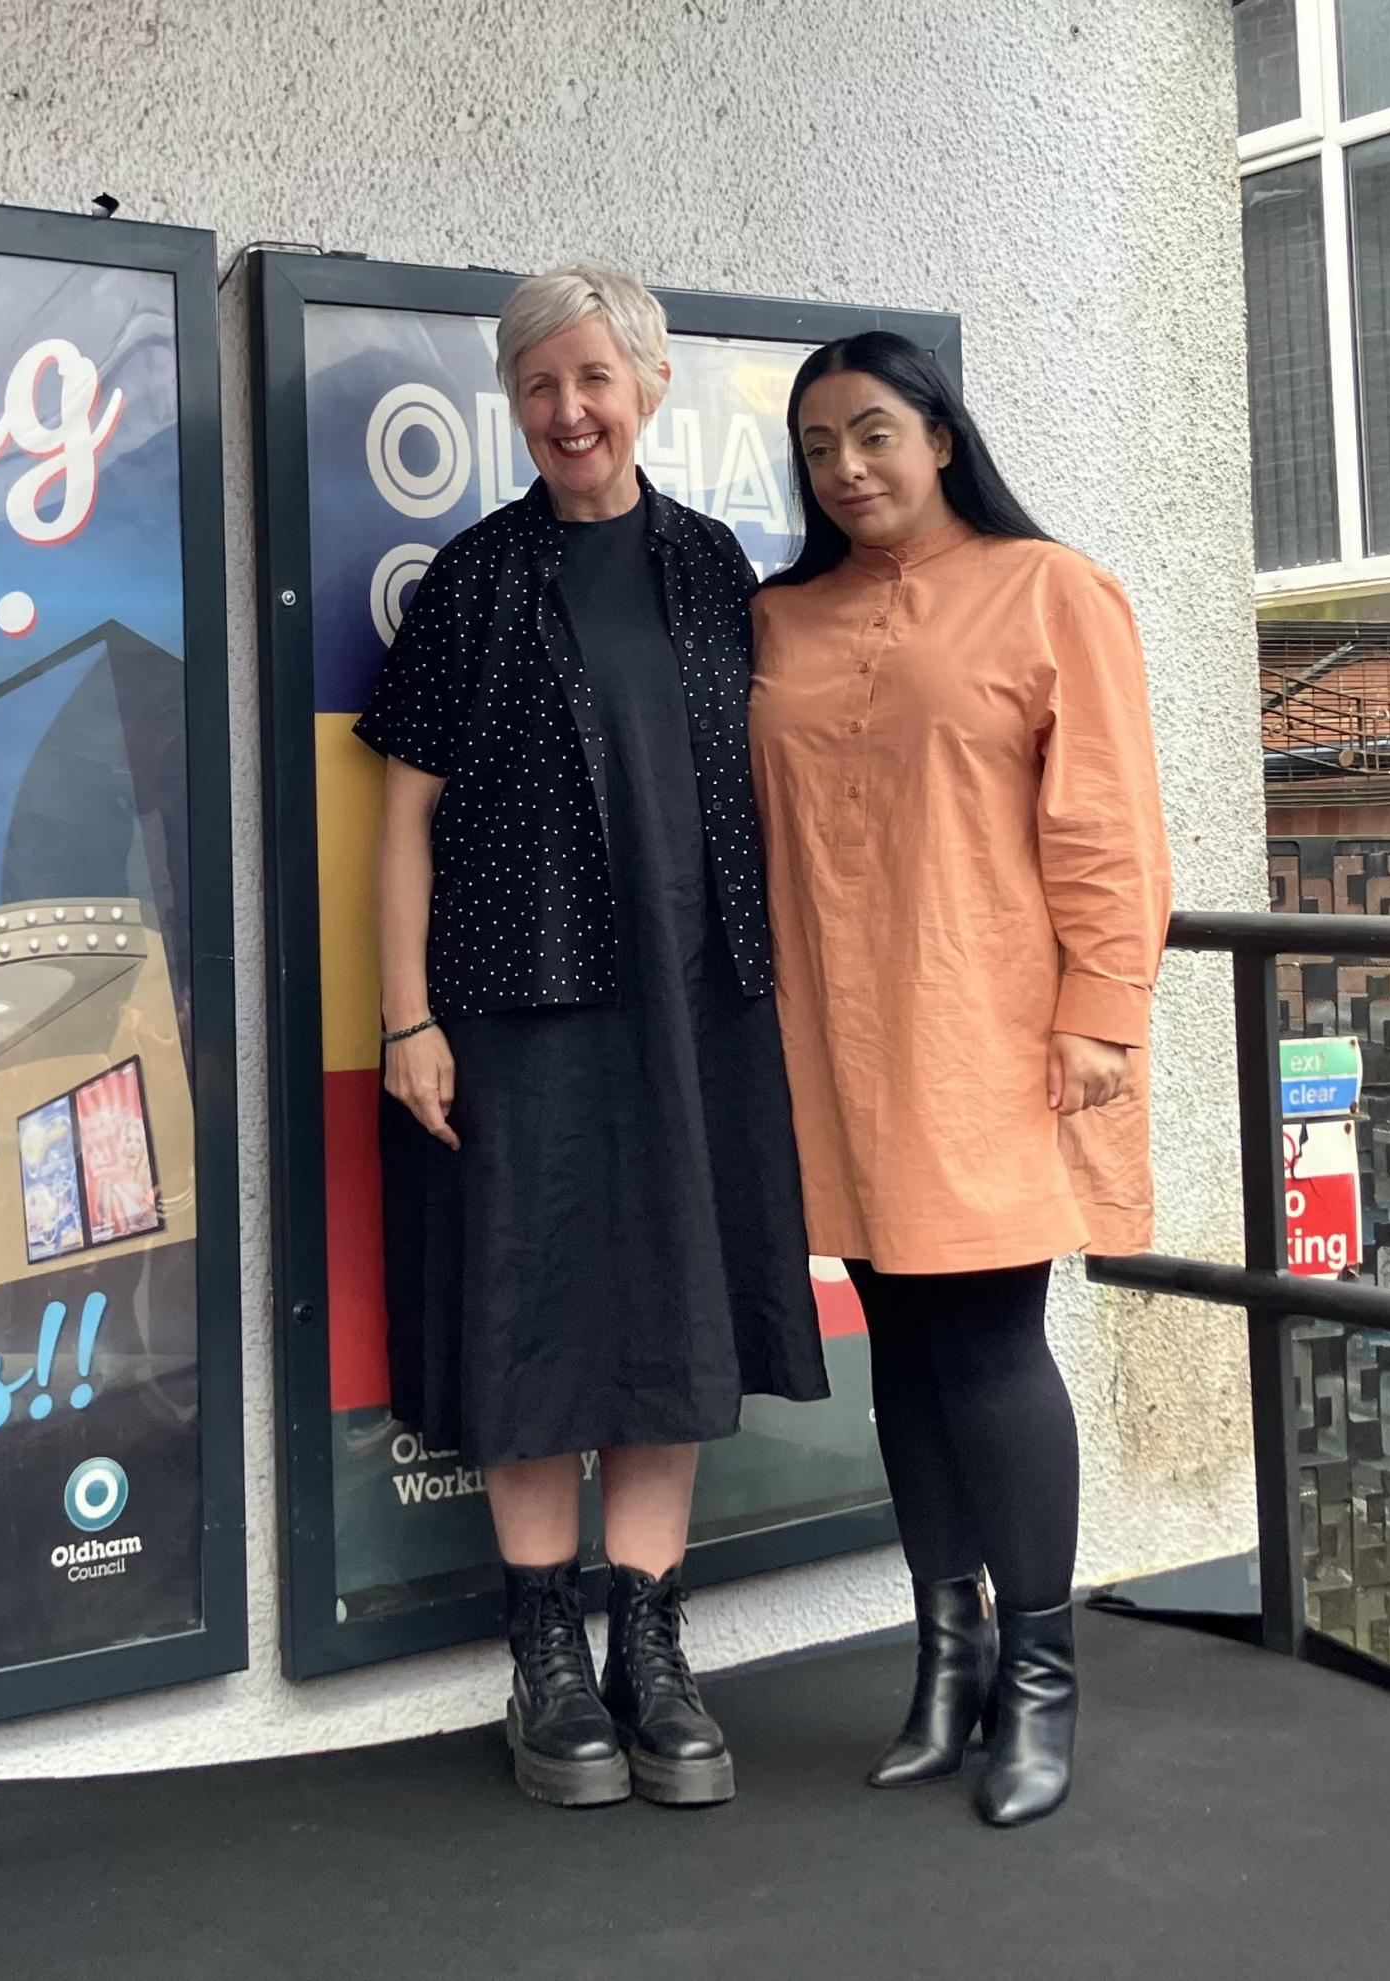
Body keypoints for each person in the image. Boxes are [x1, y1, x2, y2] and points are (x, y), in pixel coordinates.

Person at [355, 263, 829, 1809]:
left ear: (649, 388)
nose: (568, 409)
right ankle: (543, 1650)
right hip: (517, 1010)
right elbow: (402, 819)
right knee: (531, 1309)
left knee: (671, 1317)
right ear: (516, 405)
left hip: (695, 1007)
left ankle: (652, 1642)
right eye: (539, 385)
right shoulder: (473, 586)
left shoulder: (718, 575)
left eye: (592, 379)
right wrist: (406, 1017)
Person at [748, 331, 1170, 1828]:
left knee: (991, 1345)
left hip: (990, 1029)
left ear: (938, 434)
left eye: (872, 433)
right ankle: (947, 1660)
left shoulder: (1051, 588)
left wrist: (1102, 1010)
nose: (846, 469)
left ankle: (1041, 1679)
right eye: (815, 449)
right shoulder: (779, 619)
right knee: (906, 1349)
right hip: (835, 1037)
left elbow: (1109, 822)